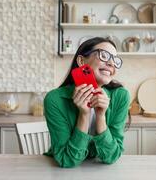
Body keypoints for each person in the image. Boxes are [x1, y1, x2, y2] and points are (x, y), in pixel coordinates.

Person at [43, 37, 130, 168]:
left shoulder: (121, 96)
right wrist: (84, 115)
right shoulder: (54, 100)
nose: (111, 63)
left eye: (115, 60)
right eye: (104, 55)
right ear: (81, 61)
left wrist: (101, 117)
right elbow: (67, 160)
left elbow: (111, 156)